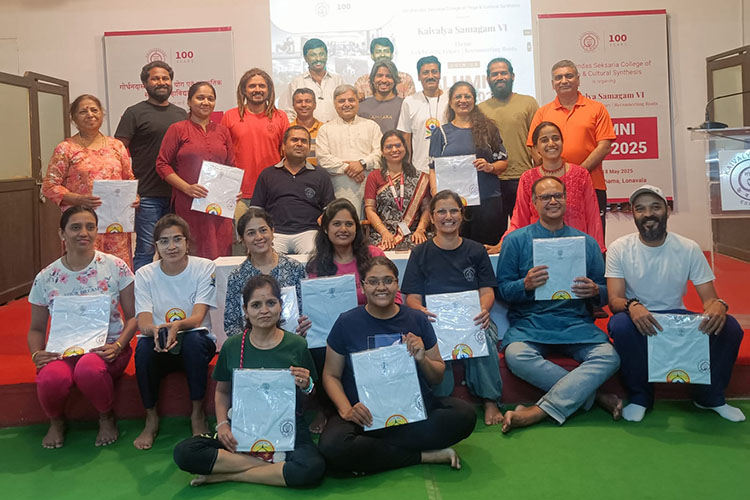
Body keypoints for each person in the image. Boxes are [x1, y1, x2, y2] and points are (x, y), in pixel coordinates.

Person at [318, 256, 476, 474]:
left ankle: (372, 451)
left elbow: (437, 376)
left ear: (397, 285)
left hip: (411, 412)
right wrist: (346, 410)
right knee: (332, 445)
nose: (381, 287)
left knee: (464, 415)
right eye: (373, 281)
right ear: (363, 287)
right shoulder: (346, 322)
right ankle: (422, 456)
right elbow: (331, 375)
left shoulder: (417, 319)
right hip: (364, 415)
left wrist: (422, 358)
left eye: (388, 281)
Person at [606, 185, 745, 423]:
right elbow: (614, 300)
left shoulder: (688, 247)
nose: (648, 214)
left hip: (677, 318)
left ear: (667, 211)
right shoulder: (619, 248)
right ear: (634, 214)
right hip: (639, 318)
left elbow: (709, 299)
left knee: (729, 327)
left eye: (655, 207)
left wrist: (718, 305)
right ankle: (640, 398)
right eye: (640, 209)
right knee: (620, 325)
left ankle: (709, 397)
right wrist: (633, 306)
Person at [173, 275, 325, 487]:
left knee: (312, 468)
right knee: (185, 453)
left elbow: (311, 392)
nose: (264, 310)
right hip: (243, 426)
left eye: (271, 303)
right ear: (245, 310)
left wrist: (307, 385)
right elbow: (222, 391)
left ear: (280, 306)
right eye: (256, 305)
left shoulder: (297, 345)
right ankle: (270, 467)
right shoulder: (233, 346)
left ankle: (230, 474)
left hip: (286, 426)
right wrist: (223, 425)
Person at [496, 176, 621, 433]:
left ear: (566, 199)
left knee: (609, 357)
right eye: (545, 197)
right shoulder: (515, 241)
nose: (552, 201)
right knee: (516, 356)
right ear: (533, 202)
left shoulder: (587, 243)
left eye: (558, 196)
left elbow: (606, 293)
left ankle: (538, 411)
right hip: (531, 324)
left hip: (575, 324)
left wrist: (595, 291)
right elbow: (504, 290)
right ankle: (593, 396)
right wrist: (525, 285)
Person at [27, 206, 137, 448]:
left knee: (89, 368)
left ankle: (106, 416)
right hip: (62, 351)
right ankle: (56, 421)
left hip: (108, 349)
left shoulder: (115, 267)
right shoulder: (46, 277)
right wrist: (36, 354)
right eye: (75, 227)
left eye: (90, 227)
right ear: (62, 233)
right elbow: (36, 328)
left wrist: (119, 346)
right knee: (50, 378)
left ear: (97, 231)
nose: (83, 233)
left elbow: (133, 318)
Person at [401, 190, 504, 426]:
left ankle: (490, 399)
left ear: (462, 214)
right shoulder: (420, 253)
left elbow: (487, 291)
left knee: (483, 333)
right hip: (435, 321)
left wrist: (483, 310)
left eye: (453, 211)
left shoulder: (476, 250)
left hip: (472, 318)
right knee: (432, 338)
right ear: (432, 217)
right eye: (441, 212)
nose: (448, 216)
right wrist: (421, 312)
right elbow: (412, 298)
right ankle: (440, 399)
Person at [132, 214, 217, 450]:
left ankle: (197, 413)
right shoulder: (145, 274)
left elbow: (198, 317)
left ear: (187, 242)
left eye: (177, 239)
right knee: (143, 348)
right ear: (156, 246)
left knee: (193, 341)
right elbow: (143, 321)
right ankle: (151, 417)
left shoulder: (204, 267)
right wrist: (156, 330)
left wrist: (176, 326)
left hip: (196, 338)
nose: (171, 246)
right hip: (160, 341)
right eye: (164, 241)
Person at [304, 198, 388, 432]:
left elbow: (394, 294)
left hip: (371, 325)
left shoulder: (374, 255)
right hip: (333, 332)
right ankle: (326, 408)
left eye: (349, 224)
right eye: (337, 224)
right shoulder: (317, 265)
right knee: (317, 345)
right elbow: (314, 307)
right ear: (326, 228)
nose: (343, 229)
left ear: (356, 227)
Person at [44, 94, 138, 267]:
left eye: (94, 110)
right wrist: (79, 199)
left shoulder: (116, 146)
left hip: (115, 223)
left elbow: (129, 178)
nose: (90, 115)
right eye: (83, 111)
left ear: (102, 114)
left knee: (117, 268)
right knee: (85, 268)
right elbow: (49, 186)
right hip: (82, 224)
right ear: (73, 118)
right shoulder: (66, 148)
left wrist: (133, 196)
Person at [528, 60, 615, 236]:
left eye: (569, 76)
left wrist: (576, 174)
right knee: (551, 236)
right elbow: (533, 147)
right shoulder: (543, 112)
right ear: (552, 84)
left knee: (592, 235)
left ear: (578, 79)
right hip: (550, 190)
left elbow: (604, 145)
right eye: (558, 77)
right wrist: (554, 176)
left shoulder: (597, 109)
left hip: (592, 184)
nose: (564, 81)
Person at [489, 121, 604, 253]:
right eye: (544, 140)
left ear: (562, 142)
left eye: (555, 138)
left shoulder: (581, 175)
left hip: (576, 250)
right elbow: (519, 220)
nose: (551, 143)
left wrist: (596, 251)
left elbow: (593, 218)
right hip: (538, 251)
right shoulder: (527, 178)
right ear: (536, 148)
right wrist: (503, 244)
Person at [115, 61, 187, 271]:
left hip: (177, 194)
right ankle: (141, 290)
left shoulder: (182, 114)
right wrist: (127, 189)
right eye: (155, 78)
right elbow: (117, 152)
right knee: (146, 249)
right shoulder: (134, 113)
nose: (161, 82)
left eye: (166, 78)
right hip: (147, 195)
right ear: (145, 84)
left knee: (177, 247)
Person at [156, 81, 236, 260]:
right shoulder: (177, 129)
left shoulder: (223, 131)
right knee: (192, 250)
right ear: (189, 101)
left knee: (221, 251)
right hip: (188, 203)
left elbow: (231, 165)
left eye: (210, 98)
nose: (205, 102)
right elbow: (162, 164)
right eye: (200, 98)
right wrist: (187, 188)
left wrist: (232, 190)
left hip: (219, 206)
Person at [429, 81, 508, 246]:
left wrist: (490, 167)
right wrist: (437, 195)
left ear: (474, 100)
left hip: (487, 201)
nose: (463, 100)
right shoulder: (441, 133)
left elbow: (503, 163)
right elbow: (433, 169)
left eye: (467, 96)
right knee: (456, 250)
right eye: (458, 97)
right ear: (451, 102)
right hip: (453, 206)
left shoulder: (489, 129)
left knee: (487, 250)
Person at [478, 57, 538, 238]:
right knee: (494, 236)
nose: (499, 77)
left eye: (503, 73)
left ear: (512, 76)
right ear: (488, 79)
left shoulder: (528, 103)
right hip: (491, 180)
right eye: (494, 74)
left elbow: (537, 142)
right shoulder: (479, 110)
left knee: (525, 233)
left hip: (521, 177)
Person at [250, 126, 335, 254]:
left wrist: (326, 217)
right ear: (283, 146)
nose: (299, 144)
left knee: (313, 255)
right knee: (267, 256)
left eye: (304, 141)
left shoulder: (321, 175)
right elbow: (256, 210)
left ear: (309, 148)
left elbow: (330, 209)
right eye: (294, 140)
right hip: (275, 232)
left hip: (309, 231)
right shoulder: (267, 175)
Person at [224, 208, 306, 338]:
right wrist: (252, 342)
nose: (259, 237)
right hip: (252, 345)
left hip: (292, 341)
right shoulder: (237, 276)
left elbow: (305, 311)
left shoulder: (294, 268)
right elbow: (231, 324)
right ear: (242, 239)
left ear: (272, 232)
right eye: (251, 233)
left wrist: (302, 329)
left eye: (263, 230)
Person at [221, 68, 288, 219]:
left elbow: (287, 156)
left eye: (262, 86)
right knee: (241, 234)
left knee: (273, 233)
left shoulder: (280, 117)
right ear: (244, 90)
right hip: (238, 193)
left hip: (273, 191)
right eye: (252, 86)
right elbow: (223, 156)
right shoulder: (230, 116)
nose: (257, 90)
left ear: (269, 90)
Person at [317, 84, 382, 216]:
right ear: (335, 104)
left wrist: (362, 164)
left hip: (368, 187)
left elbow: (380, 154)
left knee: (369, 224)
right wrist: (348, 168)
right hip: (339, 189)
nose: (347, 104)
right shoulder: (326, 129)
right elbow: (323, 159)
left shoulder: (371, 126)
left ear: (358, 102)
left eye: (351, 100)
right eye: (342, 101)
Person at [364, 130, 431, 251]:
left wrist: (420, 230)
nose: (394, 150)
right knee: (374, 251)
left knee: (425, 248)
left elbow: (426, 208)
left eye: (398, 145)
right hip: (382, 234)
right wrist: (384, 233)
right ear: (382, 151)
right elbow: (370, 209)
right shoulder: (374, 176)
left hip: (413, 232)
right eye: (389, 147)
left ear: (405, 148)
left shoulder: (420, 177)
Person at [397, 55, 449, 173]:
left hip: (448, 167)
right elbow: (406, 138)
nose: (430, 76)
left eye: (434, 72)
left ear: (440, 74)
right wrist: (407, 168)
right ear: (419, 76)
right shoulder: (409, 102)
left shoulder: (450, 98)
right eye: (425, 73)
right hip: (420, 169)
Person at [280, 38, 345, 123]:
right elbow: (289, 113)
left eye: (321, 54)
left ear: (327, 56)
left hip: (335, 129)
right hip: (306, 130)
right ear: (305, 58)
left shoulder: (338, 80)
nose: (318, 59)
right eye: (313, 55)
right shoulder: (296, 83)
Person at [357, 60, 404, 133]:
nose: (384, 80)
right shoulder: (361, 106)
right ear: (373, 79)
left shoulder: (404, 105)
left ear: (395, 80)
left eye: (388, 76)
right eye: (379, 76)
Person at [290, 88, 323, 166]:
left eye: (308, 101)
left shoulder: (324, 129)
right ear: (293, 106)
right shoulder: (287, 129)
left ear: (315, 105)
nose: (304, 105)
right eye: (299, 102)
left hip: (320, 172)